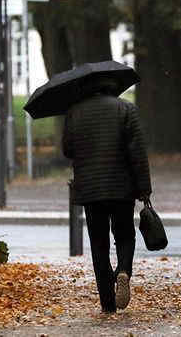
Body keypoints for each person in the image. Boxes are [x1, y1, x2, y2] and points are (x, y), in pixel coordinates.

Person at [62, 77, 152, 313]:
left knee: (98, 243)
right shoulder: (126, 109)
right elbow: (138, 153)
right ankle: (123, 270)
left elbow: (67, 149)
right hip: (122, 187)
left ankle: (107, 303)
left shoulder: (74, 112)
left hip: (91, 189)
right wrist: (144, 188)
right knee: (124, 235)